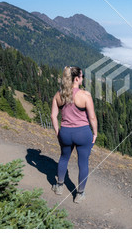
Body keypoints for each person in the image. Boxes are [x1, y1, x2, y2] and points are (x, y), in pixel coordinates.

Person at [50, 66, 98, 203]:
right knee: (83, 163)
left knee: (64, 158)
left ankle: (59, 187)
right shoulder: (85, 96)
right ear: (76, 79)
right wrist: (95, 133)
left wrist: (58, 132)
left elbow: (53, 116)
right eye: (82, 76)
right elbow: (92, 118)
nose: (83, 79)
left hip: (65, 132)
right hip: (83, 133)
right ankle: (79, 194)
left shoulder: (58, 95)